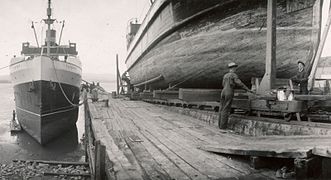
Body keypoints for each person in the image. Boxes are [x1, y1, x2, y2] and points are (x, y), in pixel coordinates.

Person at [219, 62, 253, 129]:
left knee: (221, 108)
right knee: (226, 109)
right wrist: (248, 90)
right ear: (233, 68)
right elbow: (240, 83)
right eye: (235, 68)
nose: (235, 69)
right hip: (229, 92)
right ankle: (223, 127)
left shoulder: (225, 75)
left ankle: (220, 125)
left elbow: (223, 84)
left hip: (223, 92)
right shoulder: (234, 75)